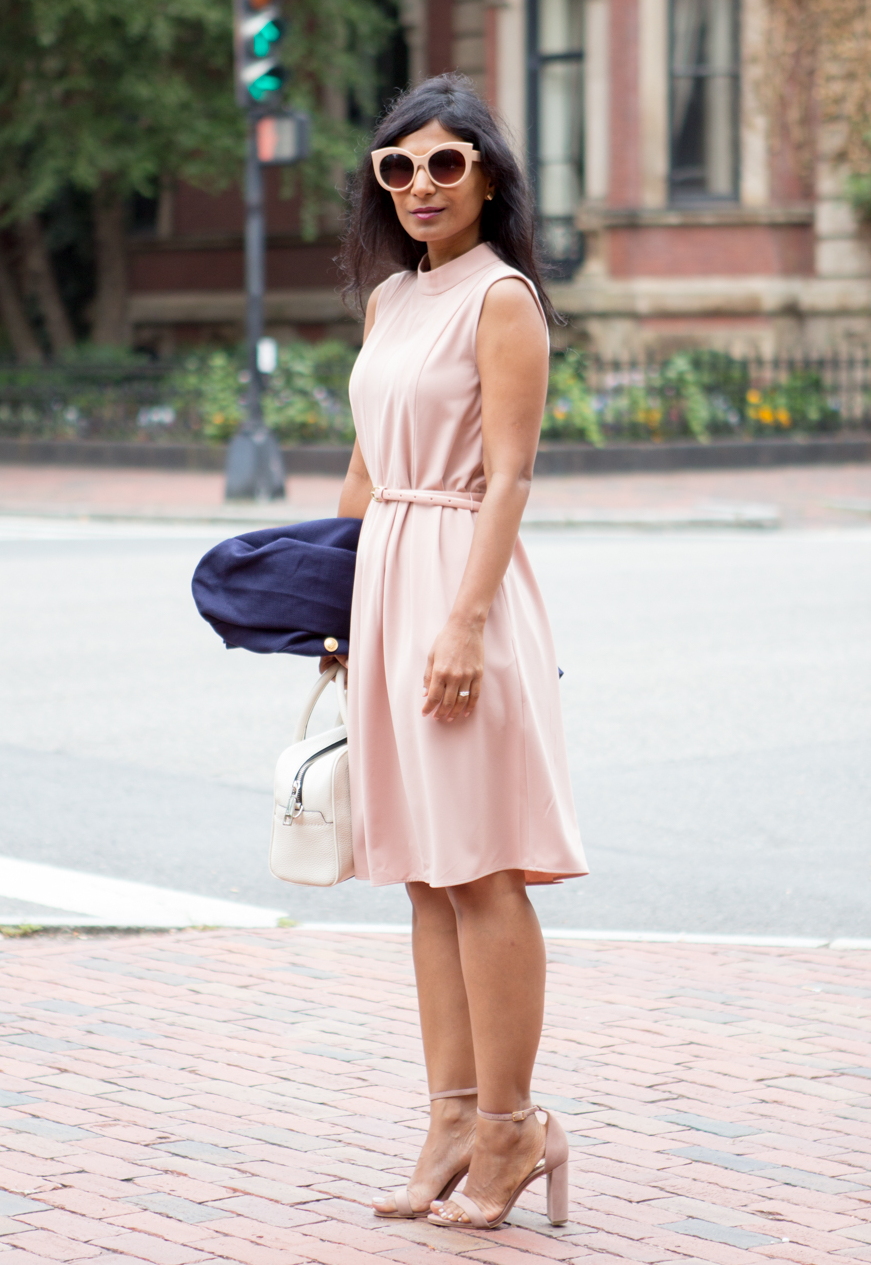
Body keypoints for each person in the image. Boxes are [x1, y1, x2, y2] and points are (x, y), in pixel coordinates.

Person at [322, 73, 588, 1231]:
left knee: (482, 868)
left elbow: (515, 476)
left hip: (461, 587)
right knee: (425, 876)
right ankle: (449, 1115)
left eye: (445, 163)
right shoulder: (389, 304)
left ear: (485, 175)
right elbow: (367, 466)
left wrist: (465, 621)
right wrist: (328, 612)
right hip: (386, 581)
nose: (421, 185)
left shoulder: (504, 299)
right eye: (399, 167)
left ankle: (513, 1127)